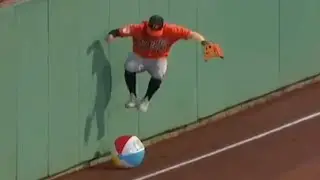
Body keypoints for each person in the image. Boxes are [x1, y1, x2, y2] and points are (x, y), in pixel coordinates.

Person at [106, 15, 211, 112]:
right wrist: (111, 35)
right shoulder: (138, 28)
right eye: (151, 30)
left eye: (156, 32)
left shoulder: (172, 30)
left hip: (158, 58)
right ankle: (132, 96)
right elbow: (117, 32)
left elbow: (191, 34)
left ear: (162, 27)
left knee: (159, 74)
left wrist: (204, 42)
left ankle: (146, 100)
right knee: (129, 66)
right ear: (147, 25)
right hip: (139, 56)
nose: (153, 34)